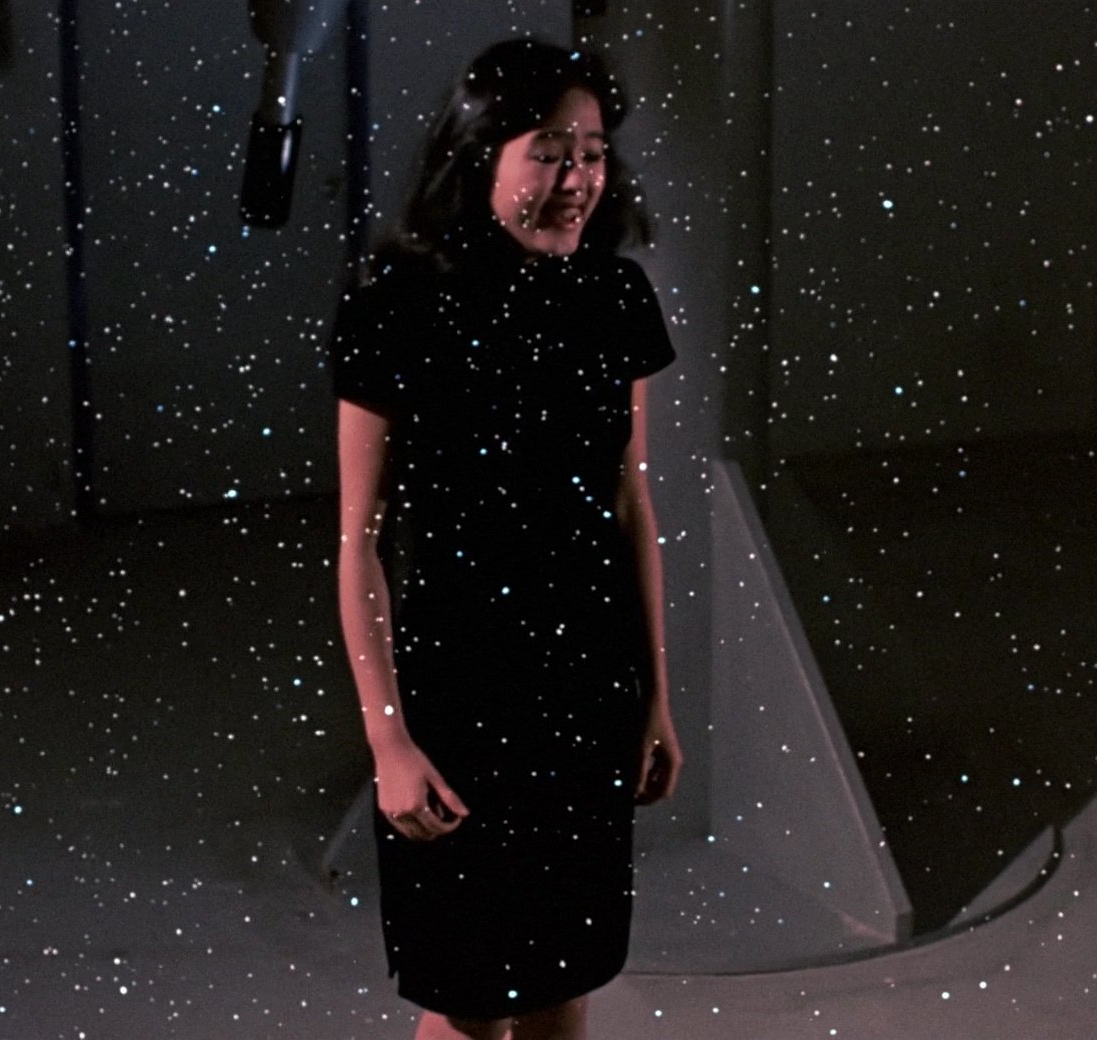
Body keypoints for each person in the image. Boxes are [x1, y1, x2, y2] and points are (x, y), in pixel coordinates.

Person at [331, 38, 683, 1040]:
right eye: (551, 152)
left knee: (566, 980)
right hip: (460, 697)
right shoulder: (395, 308)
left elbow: (631, 508)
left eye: (594, 153)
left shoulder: (615, 299)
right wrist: (388, 738)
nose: (578, 180)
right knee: (469, 997)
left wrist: (656, 698)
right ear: (479, 153)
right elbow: (359, 540)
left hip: (588, 692)